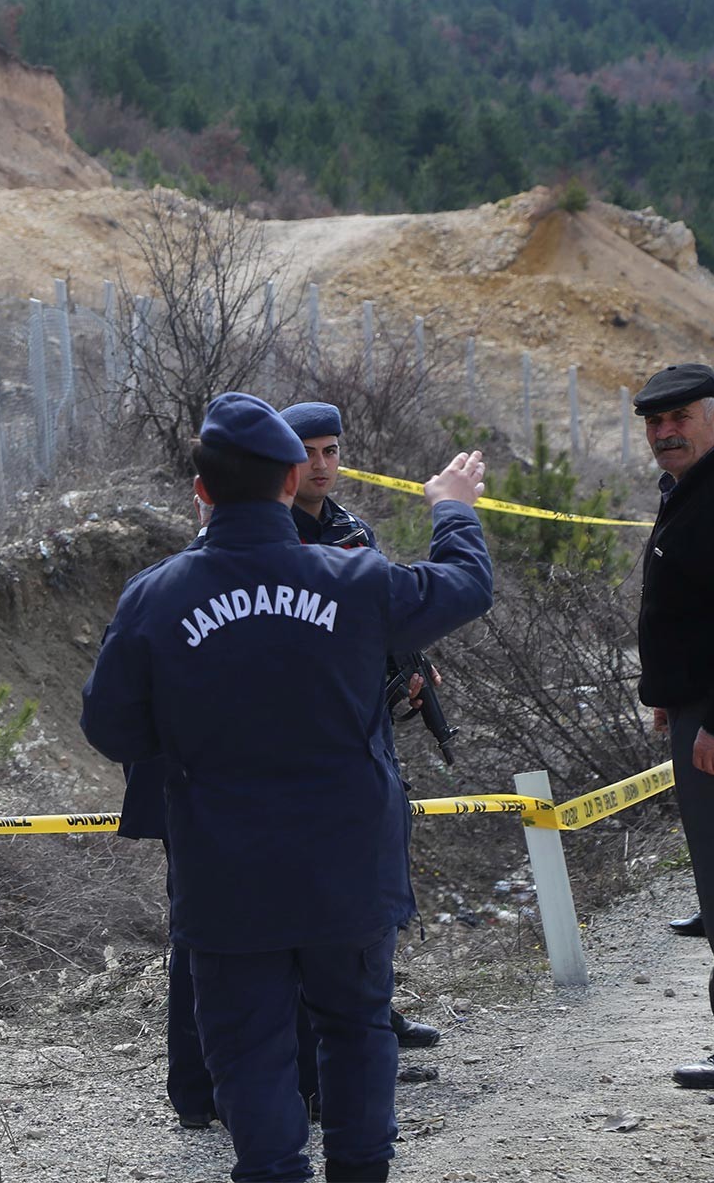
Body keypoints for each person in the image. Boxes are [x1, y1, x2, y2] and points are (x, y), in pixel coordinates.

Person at [82, 393, 492, 1183]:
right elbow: (466, 586)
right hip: (347, 857)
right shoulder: (358, 578)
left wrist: (200, 746)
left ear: (201, 492)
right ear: (290, 482)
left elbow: (112, 730)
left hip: (225, 864)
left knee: (247, 1041)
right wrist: (453, 510)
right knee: (357, 1025)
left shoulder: (155, 596)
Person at [279, 401, 444, 1057]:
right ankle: (337, 1027)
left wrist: (410, 673)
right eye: (308, 452)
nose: (322, 465)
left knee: (377, 875)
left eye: (331, 451)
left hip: (368, 733)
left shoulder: (353, 531)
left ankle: (377, 1009)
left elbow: (383, 623)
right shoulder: (276, 534)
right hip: (309, 739)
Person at [631, 363, 714, 1090]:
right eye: (654, 423)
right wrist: (668, 690)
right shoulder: (693, 487)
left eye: (681, 418)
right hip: (698, 705)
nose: (665, 433)